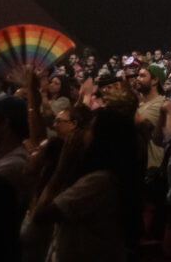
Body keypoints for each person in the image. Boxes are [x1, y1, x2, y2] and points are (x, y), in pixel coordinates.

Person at [33, 107, 142, 262]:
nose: (84, 134)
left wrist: (61, 167)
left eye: (90, 129)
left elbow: (41, 215)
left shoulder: (99, 183)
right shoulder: (106, 178)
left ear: (102, 138)